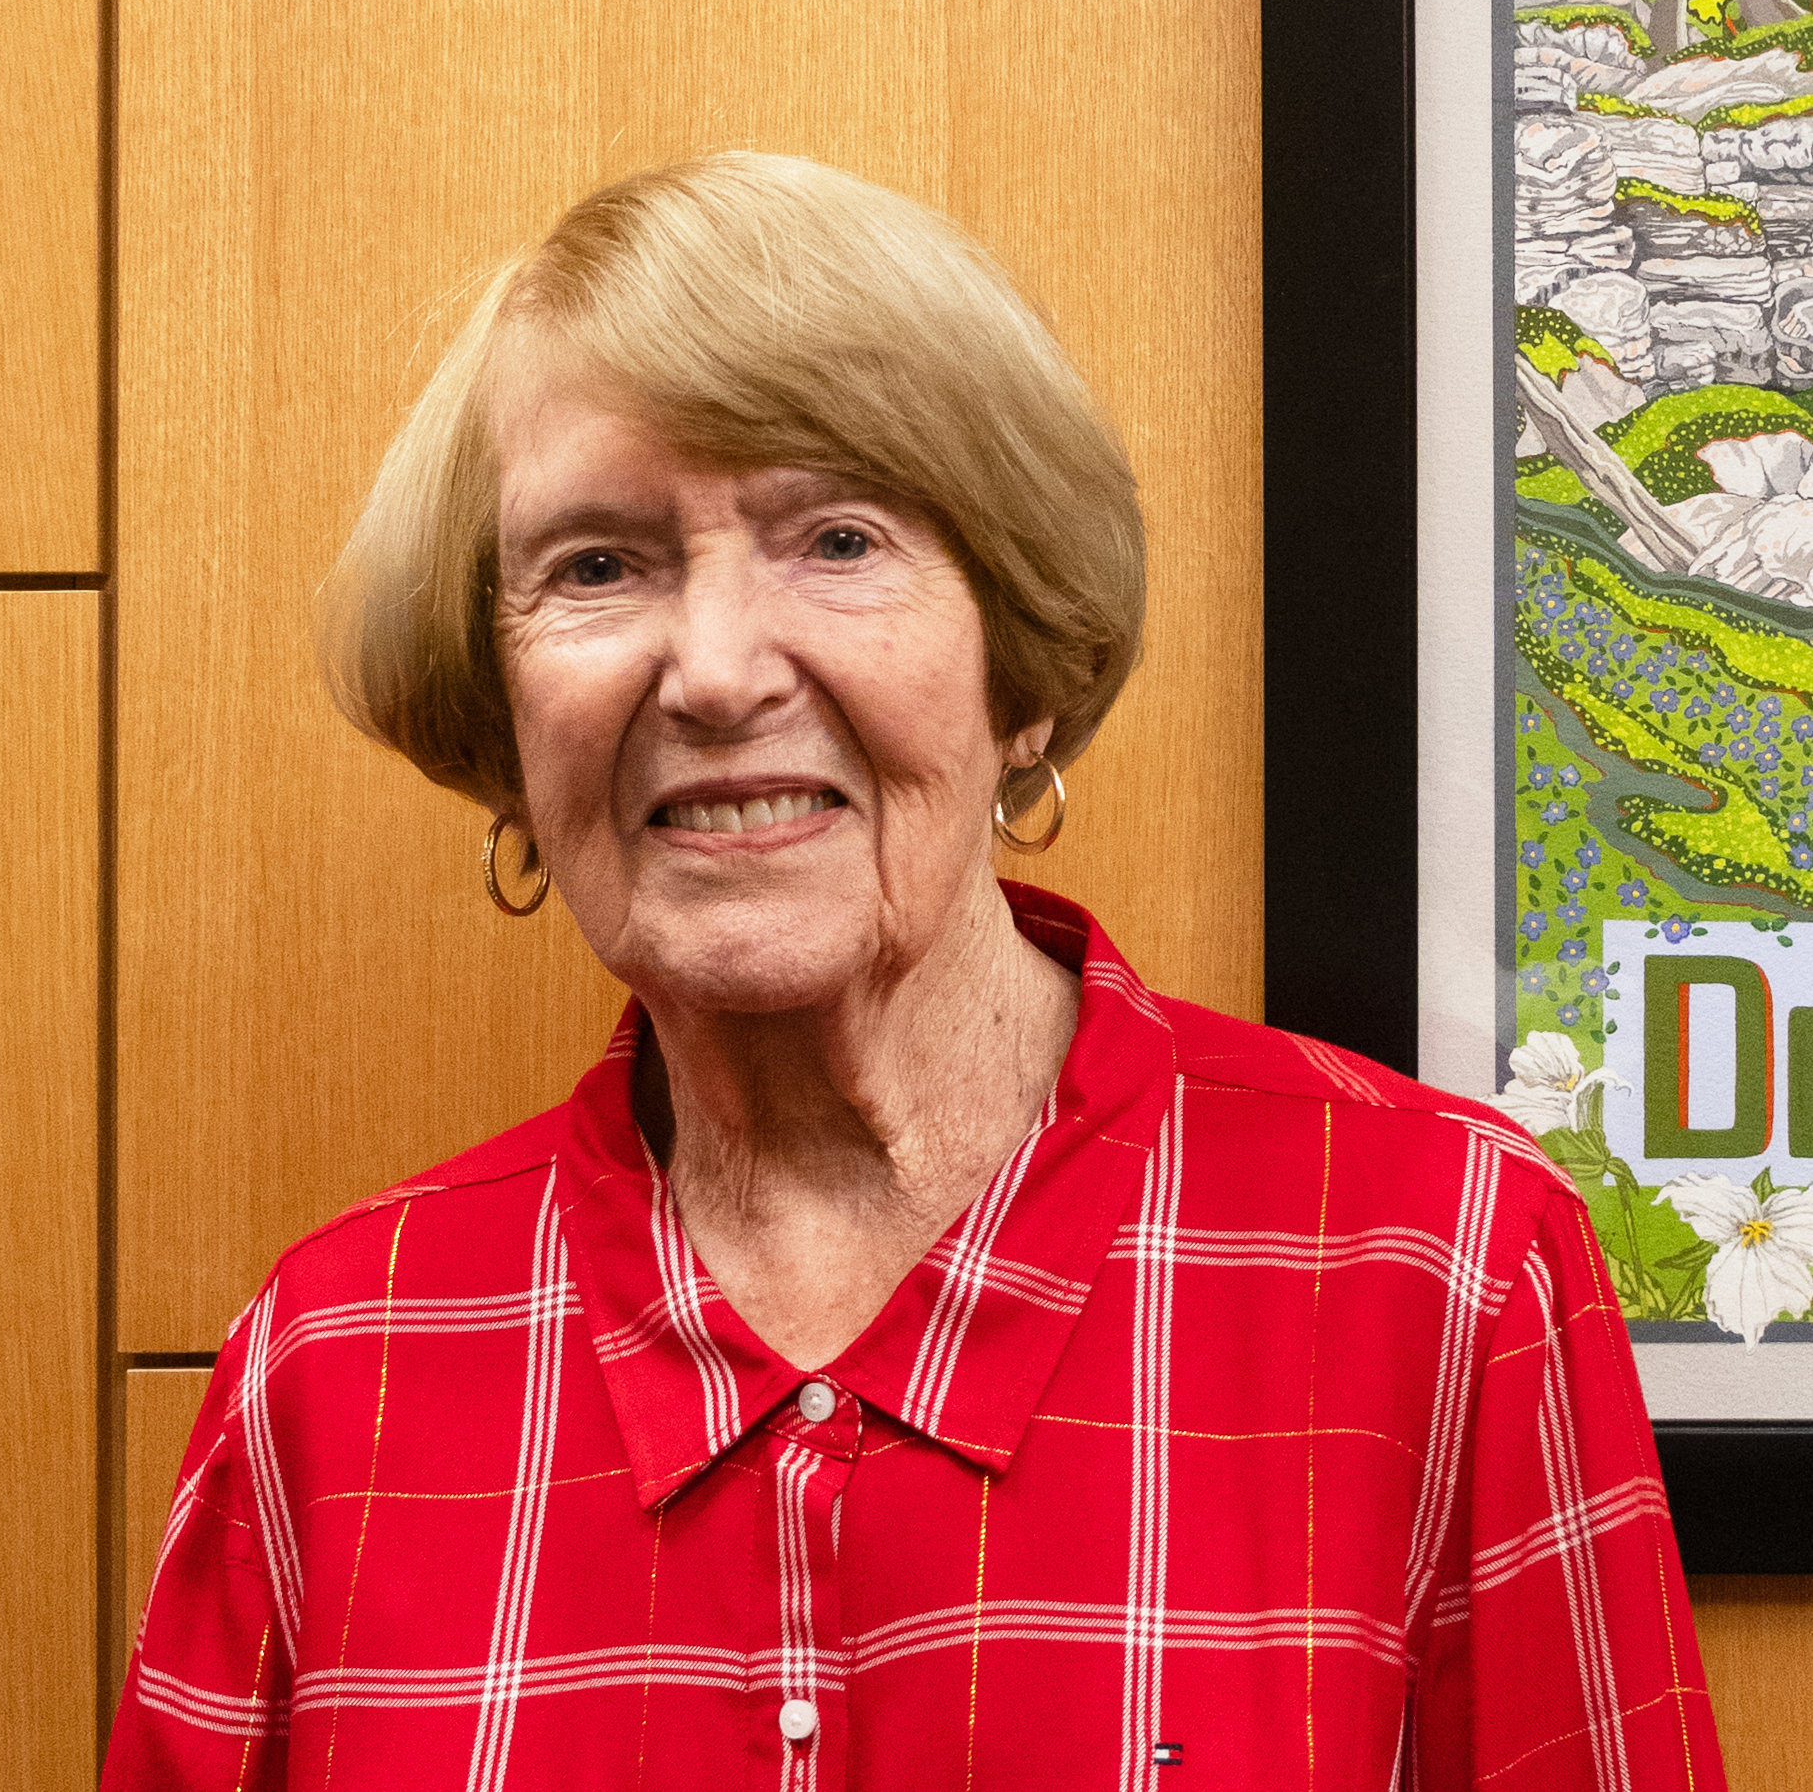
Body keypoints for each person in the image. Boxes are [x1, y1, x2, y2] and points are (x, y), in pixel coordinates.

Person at [102, 155, 1724, 1791]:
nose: (719, 672)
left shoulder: (1443, 1273)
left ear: (1020, 669)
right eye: (596, 566)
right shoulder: (336, 1370)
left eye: (838, 538)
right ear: (503, 720)